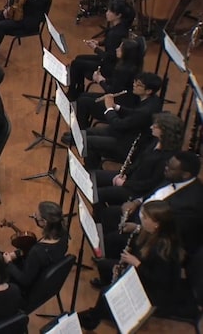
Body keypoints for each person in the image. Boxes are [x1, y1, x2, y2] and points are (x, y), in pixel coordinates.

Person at [79, 200, 198, 329]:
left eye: (145, 217)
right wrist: (122, 268)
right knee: (103, 265)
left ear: (157, 224)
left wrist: (135, 264)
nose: (141, 218)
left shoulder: (163, 250)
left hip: (155, 290)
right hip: (140, 272)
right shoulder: (149, 232)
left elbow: (158, 280)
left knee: (105, 295)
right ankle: (108, 293)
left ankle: (92, 319)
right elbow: (138, 253)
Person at [100, 152, 203, 276]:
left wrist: (138, 228)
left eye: (171, 168)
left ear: (186, 174)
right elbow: (152, 193)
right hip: (140, 215)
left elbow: (171, 231)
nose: (166, 169)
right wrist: (136, 202)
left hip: (153, 237)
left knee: (112, 240)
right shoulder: (172, 176)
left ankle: (112, 276)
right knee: (107, 214)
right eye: (167, 165)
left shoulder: (192, 203)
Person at [92, 112, 183, 219]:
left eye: (155, 126)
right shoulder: (155, 141)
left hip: (135, 191)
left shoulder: (167, 157)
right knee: (93, 176)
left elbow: (150, 184)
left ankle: (100, 219)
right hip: (130, 178)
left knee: (99, 194)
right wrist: (125, 174)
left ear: (164, 131)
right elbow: (138, 161)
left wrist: (125, 183)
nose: (151, 127)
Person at [74, 72, 164, 170]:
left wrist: (109, 108)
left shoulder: (145, 110)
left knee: (88, 142)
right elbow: (133, 113)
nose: (134, 85)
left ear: (148, 91)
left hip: (127, 144)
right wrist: (115, 106)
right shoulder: (153, 100)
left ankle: (92, 172)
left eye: (139, 85)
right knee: (89, 132)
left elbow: (119, 124)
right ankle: (94, 167)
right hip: (126, 133)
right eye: (135, 82)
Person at [66, 0, 136, 100]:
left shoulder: (116, 33)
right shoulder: (121, 28)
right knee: (78, 58)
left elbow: (109, 57)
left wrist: (95, 49)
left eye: (110, 11)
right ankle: (78, 90)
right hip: (109, 61)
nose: (107, 13)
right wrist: (99, 42)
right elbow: (111, 45)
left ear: (118, 15)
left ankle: (73, 93)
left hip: (109, 67)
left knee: (76, 63)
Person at [73, 38, 143, 129]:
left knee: (82, 101)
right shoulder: (132, 66)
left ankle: (81, 133)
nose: (117, 49)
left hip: (118, 105)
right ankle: (84, 129)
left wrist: (100, 80)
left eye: (120, 48)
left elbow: (112, 91)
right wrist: (104, 79)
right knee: (83, 96)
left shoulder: (123, 70)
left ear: (126, 54)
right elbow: (116, 84)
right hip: (124, 100)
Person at [2, 201, 68, 295]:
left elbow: (25, 280)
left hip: (27, 288)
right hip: (42, 274)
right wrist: (16, 254)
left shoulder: (37, 252)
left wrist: (8, 262)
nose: (34, 217)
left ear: (44, 222)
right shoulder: (63, 234)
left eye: (36, 216)